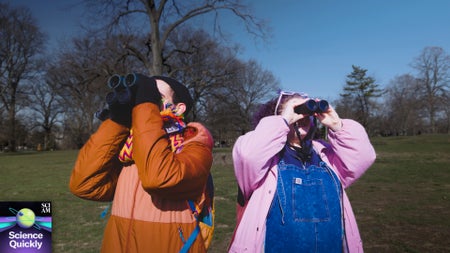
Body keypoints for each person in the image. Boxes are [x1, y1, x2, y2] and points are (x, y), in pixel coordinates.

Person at [69, 73, 214, 253]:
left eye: (156, 98)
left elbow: (159, 178)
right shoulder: (129, 148)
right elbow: (84, 185)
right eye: (144, 98)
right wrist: (118, 122)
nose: (146, 104)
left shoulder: (194, 144)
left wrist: (145, 105)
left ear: (179, 108)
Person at [229, 91, 376, 253]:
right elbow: (248, 156)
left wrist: (337, 125)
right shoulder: (266, 159)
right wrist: (283, 121)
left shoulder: (325, 155)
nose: (302, 116)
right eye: (296, 110)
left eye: (307, 112)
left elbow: (363, 156)